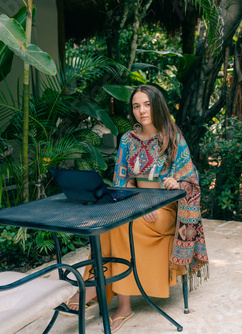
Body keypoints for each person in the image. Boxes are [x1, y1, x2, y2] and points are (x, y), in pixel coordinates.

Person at [65, 84, 209, 333]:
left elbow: (191, 180)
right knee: (112, 221)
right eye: (136, 106)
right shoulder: (127, 140)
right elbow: (120, 180)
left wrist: (177, 183)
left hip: (164, 209)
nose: (141, 111)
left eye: (147, 104)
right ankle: (112, 296)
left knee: (122, 222)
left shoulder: (172, 137)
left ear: (157, 106)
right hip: (135, 204)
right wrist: (134, 190)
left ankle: (103, 294)